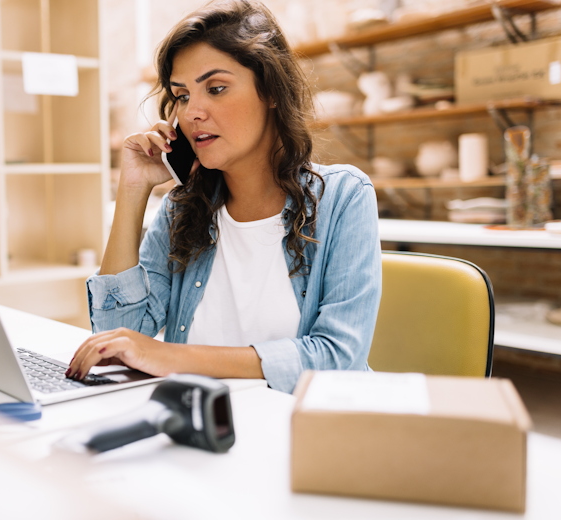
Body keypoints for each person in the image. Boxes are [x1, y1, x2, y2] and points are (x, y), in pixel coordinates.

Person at [66, 0, 381, 393]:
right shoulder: (181, 208)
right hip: (201, 421)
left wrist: (171, 357)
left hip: (300, 424)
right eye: (182, 96)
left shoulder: (344, 197)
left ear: (271, 90)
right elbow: (117, 338)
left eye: (215, 89)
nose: (192, 112)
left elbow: (337, 357)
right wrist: (133, 190)